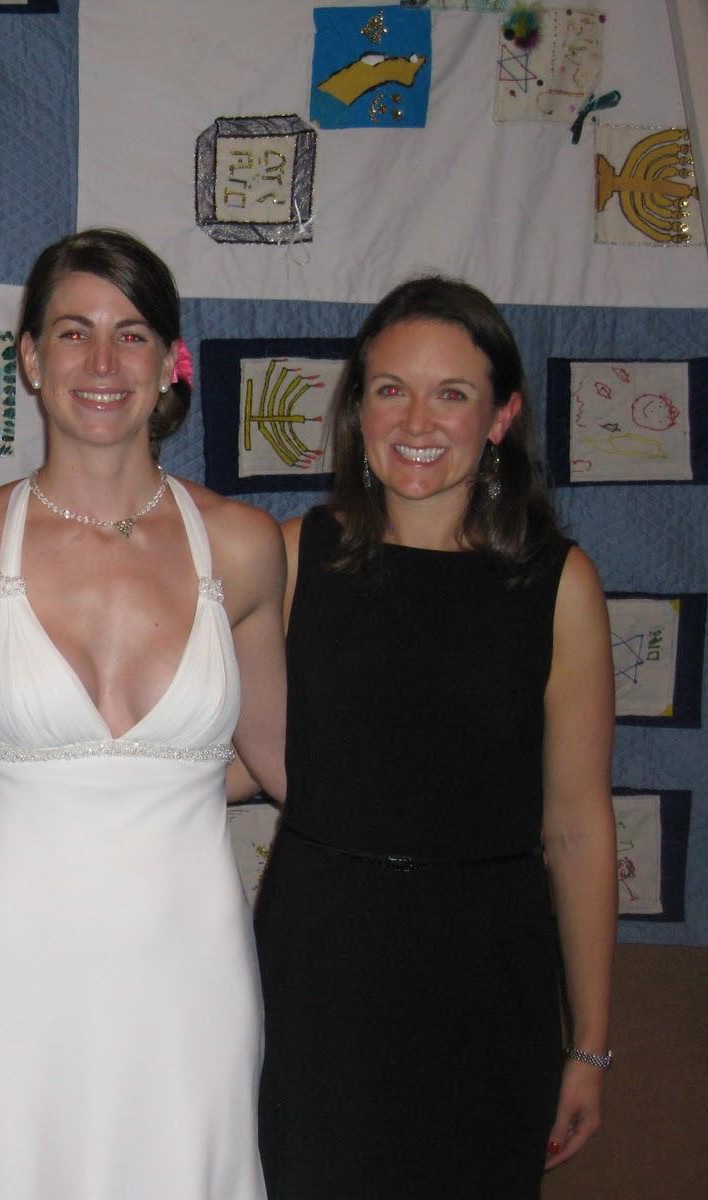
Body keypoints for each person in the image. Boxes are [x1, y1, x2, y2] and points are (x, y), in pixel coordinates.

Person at [0, 228, 286, 1198]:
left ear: (170, 361)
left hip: (192, 985)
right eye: (72, 333)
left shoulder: (241, 547)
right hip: (8, 987)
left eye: (130, 334)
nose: (101, 363)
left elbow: (287, 762)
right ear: (30, 359)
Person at [254, 276, 616, 1198]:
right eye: (391, 389)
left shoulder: (560, 585)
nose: (419, 419)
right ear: (358, 411)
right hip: (321, 967)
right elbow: (228, 756)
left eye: (452, 392)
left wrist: (590, 1044)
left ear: (501, 417)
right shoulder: (293, 558)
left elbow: (576, 827)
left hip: (488, 976)